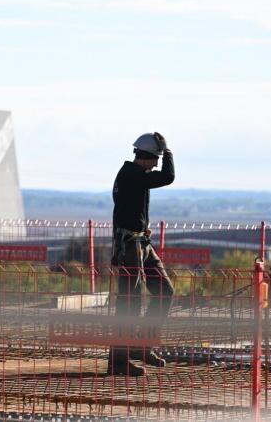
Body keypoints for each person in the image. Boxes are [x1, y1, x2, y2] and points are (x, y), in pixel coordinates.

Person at [109, 132, 175, 376]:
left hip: (141, 242)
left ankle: (141, 345)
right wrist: (168, 151)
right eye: (156, 158)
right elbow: (168, 177)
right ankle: (118, 361)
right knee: (129, 302)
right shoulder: (131, 174)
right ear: (147, 157)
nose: (157, 164)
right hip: (130, 246)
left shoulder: (138, 176)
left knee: (164, 291)